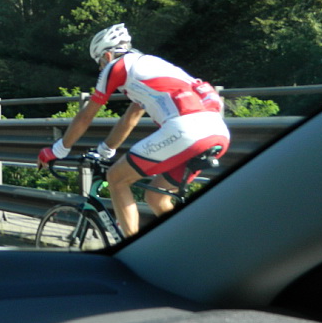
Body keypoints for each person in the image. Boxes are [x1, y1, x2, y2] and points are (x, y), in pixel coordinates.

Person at [37, 23, 230, 237]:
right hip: (217, 130)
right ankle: (192, 243)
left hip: (186, 129)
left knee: (116, 178)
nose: (101, 69)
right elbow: (130, 118)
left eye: (100, 63)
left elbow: (86, 115)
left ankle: (130, 250)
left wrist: (58, 150)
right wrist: (105, 150)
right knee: (157, 198)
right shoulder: (149, 65)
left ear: (107, 55)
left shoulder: (116, 67)